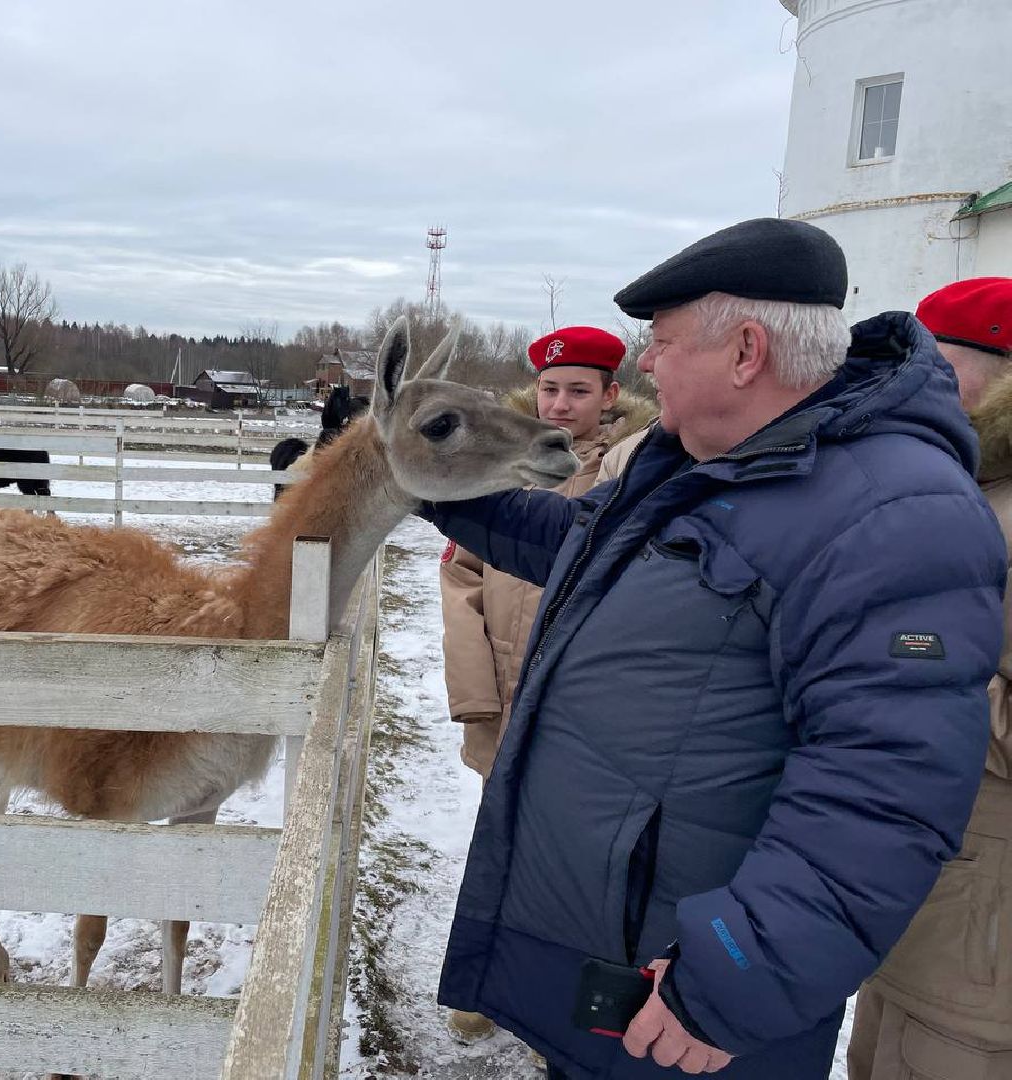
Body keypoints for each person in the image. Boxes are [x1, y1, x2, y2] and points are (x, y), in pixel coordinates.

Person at [422, 218, 1006, 1079]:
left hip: (683, 998)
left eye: (659, 342)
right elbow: (584, 545)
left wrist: (733, 978)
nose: (646, 367)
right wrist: (432, 481)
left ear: (744, 351)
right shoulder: (713, 461)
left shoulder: (891, 513)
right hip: (609, 953)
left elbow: (883, 785)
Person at [441, 327, 655, 1045]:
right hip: (501, 703)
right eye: (550, 388)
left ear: (611, 396)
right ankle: (489, 986)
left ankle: (558, 1013)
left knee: (571, 870)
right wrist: (474, 695)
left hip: (580, 716)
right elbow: (461, 575)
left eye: (578, 391)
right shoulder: (505, 464)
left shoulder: (632, 471)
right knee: (497, 848)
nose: (560, 404)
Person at [847, 276, 1012, 1079]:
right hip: (913, 893)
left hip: (986, 939)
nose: (919, 384)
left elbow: (931, 660)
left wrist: (905, 673)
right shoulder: (942, 484)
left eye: (944, 367)